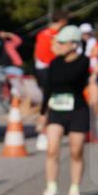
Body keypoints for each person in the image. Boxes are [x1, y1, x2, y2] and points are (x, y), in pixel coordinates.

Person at [37, 25, 95, 195]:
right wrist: (42, 113)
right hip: (56, 110)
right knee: (52, 149)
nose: (58, 45)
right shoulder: (54, 63)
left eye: (62, 42)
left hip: (77, 110)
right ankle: (51, 188)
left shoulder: (84, 62)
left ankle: (74, 189)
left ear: (73, 44)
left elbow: (73, 78)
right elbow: (48, 88)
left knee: (76, 151)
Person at [33, 10, 69, 151]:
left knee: (48, 102)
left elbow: (37, 52)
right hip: (51, 70)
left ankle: (45, 133)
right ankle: (44, 134)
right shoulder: (58, 36)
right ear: (62, 21)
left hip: (41, 69)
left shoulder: (42, 33)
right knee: (51, 103)